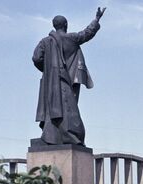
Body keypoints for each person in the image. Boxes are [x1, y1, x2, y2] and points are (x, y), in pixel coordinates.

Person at [32, 7, 106, 145]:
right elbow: (87, 33)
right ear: (66, 25)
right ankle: (69, 137)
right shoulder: (71, 38)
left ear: (54, 26)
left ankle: (52, 137)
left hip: (50, 82)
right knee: (69, 111)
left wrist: (48, 69)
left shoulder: (44, 42)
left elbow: (36, 58)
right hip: (64, 80)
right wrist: (96, 19)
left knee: (53, 109)